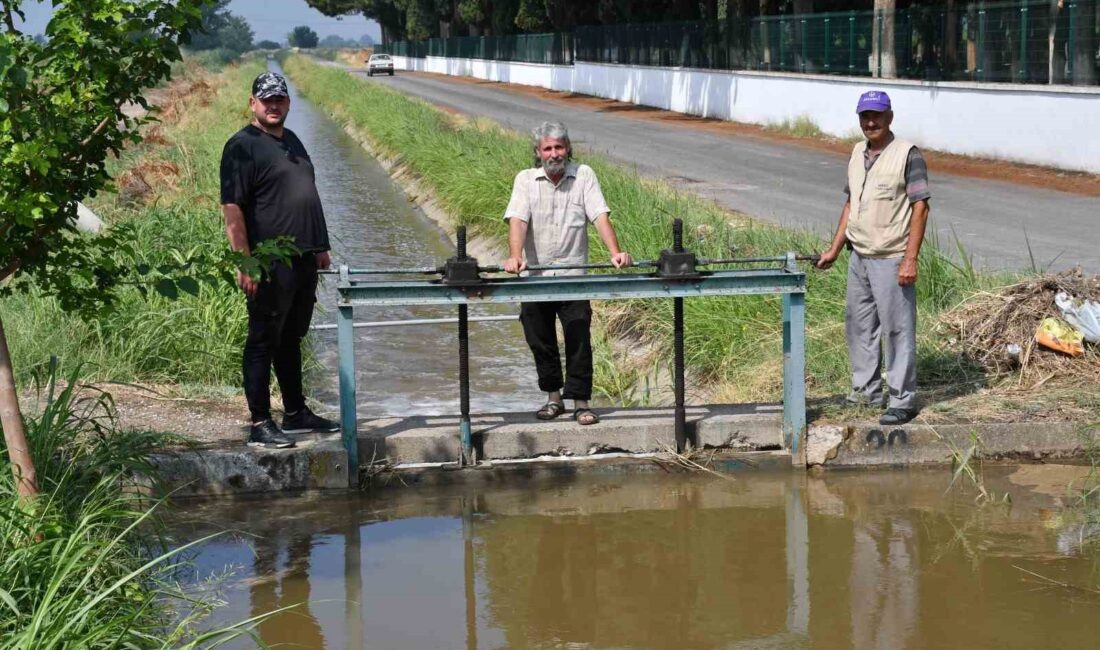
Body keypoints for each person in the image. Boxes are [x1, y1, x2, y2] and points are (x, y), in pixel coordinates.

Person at [220, 72, 339, 448]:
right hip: (270, 261)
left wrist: (319, 245)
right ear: (252, 102)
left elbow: (307, 192)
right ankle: (259, 422)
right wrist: (246, 261)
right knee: (262, 340)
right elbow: (232, 207)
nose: (274, 105)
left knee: (292, 338)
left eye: (280, 99)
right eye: (266, 99)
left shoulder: (292, 140)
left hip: (303, 259)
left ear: (288, 103)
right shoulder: (243, 146)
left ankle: (295, 412)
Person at [503, 121, 632, 425]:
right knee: (539, 338)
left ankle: (581, 403)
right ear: (538, 152)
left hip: (574, 274)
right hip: (535, 278)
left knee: (578, 337)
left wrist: (616, 251)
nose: (554, 153)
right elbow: (518, 221)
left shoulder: (583, 175)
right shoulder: (525, 180)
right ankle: (553, 399)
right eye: (548, 148)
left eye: (559, 147)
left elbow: (599, 215)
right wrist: (514, 257)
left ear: (568, 149)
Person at [815, 90, 931, 426]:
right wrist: (835, 249)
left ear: (889, 117)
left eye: (877, 116)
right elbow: (851, 204)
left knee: (897, 330)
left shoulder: (907, 154)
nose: (870, 122)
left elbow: (920, 207)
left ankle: (902, 400)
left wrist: (910, 259)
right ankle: (866, 390)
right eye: (865, 116)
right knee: (859, 326)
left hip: (892, 257)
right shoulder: (856, 153)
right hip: (859, 257)